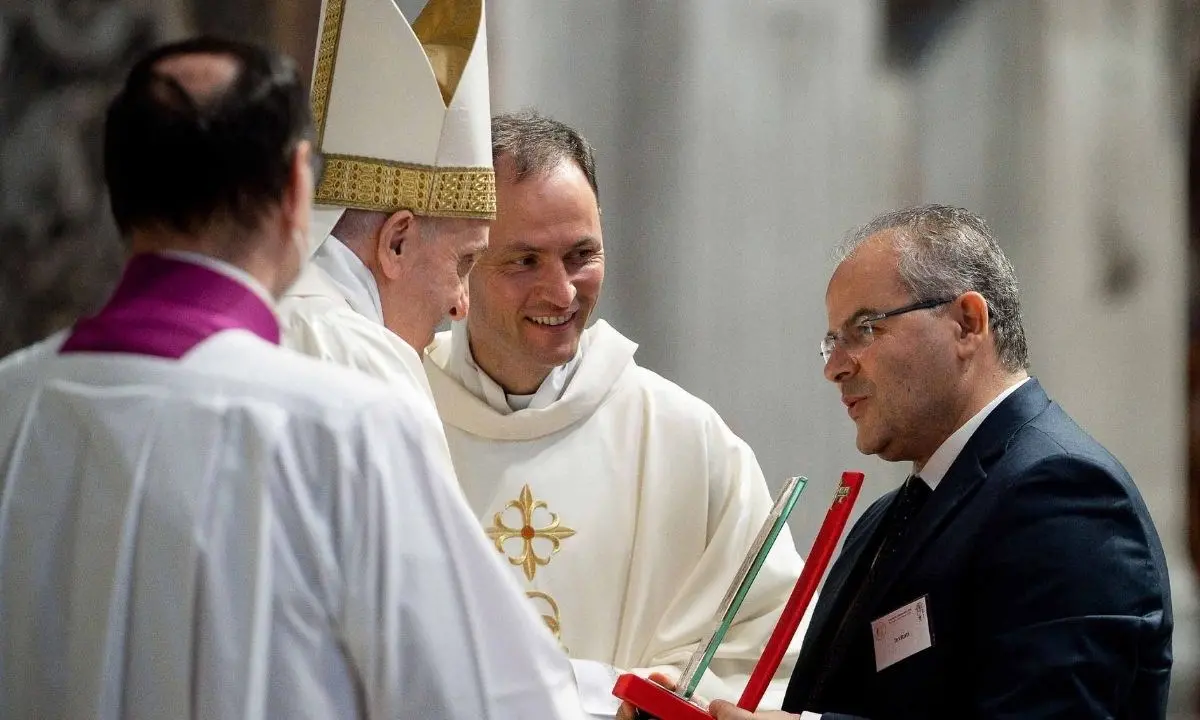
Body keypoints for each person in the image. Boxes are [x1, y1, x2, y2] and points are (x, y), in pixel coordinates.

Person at [0, 37, 585, 719]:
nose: (461, 305)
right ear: (296, 190)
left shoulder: (12, 399)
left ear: (118, 192)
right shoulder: (343, 430)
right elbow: (497, 702)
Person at [707, 204, 1172, 719]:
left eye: (864, 329)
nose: (835, 368)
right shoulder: (884, 519)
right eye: (831, 342)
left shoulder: (1063, 492)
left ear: (967, 323)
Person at [423, 109, 807, 714]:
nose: (562, 291)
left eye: (581, 255)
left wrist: (667, 697)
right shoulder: (399, 417)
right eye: (524, 262)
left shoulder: (687, 439)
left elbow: (770, 647)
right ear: (465, 263)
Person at [278, 0, 495, 402]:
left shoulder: (247, 318)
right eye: (463, 262)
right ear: (397, 241)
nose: (461, 306)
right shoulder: (373, 366)